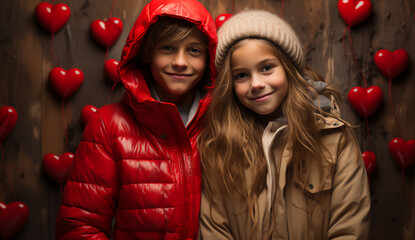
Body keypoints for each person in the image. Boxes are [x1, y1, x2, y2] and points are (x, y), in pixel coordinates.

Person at [198, 10, 370, 240]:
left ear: (289, 69)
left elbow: (350, 226)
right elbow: (214, 229)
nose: (256, 84)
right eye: (241, 75)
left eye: (267, 68)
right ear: (230, 84)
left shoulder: (334, 138)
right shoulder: (219, 146)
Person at [55, 0, 217, 239]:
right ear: (147, 54)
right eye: (168, 48)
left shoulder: (223, 123)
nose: (181, 62)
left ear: (209, 60)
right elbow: (80, 225)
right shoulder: (109, 125)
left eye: (194, 50)